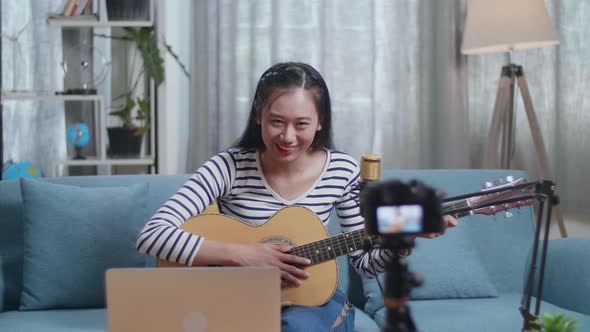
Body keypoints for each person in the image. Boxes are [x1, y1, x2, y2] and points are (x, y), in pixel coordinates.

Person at [136, 62, 458, 331]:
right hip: (237, 297)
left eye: (301, 124)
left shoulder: (343, 171)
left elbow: (363, 264)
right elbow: (153, 236)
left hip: (308, 302)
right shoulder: (229, 166)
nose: (288, 137)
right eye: (277, 121)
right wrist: (244, 255)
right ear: (258, 114)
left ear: (320, 123)